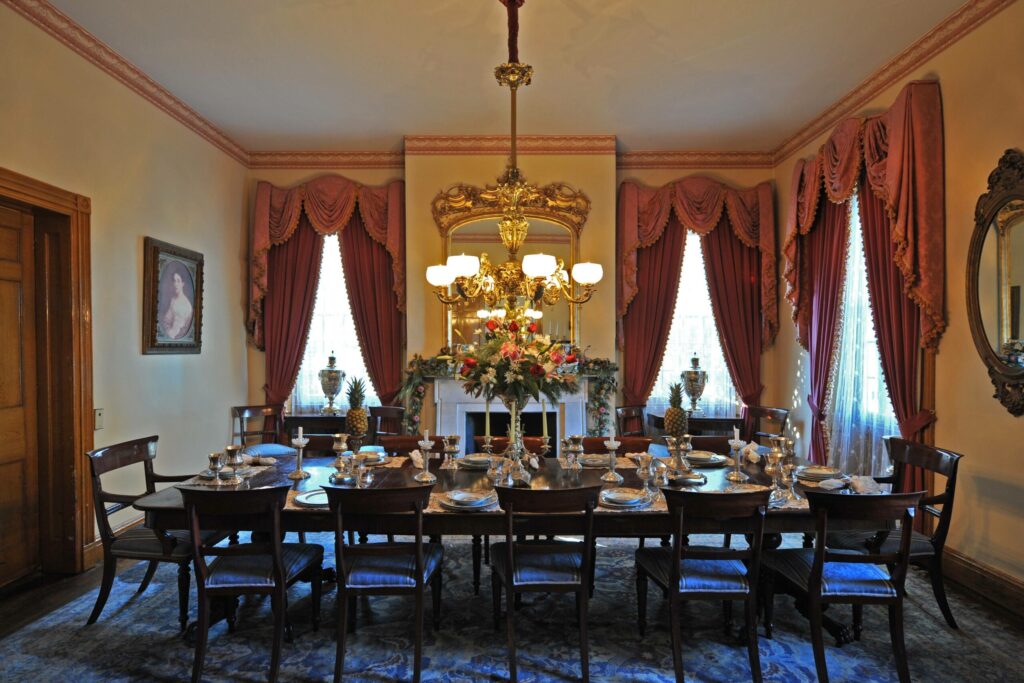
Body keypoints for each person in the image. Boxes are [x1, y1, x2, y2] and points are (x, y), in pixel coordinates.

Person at [159, 262, 193, 340]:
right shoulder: (173, 299)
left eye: (178, 281)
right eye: (174, 281)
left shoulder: (185, 305)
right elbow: (166, 320)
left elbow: (177, 332)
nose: (175, 284)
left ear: (183, 283)